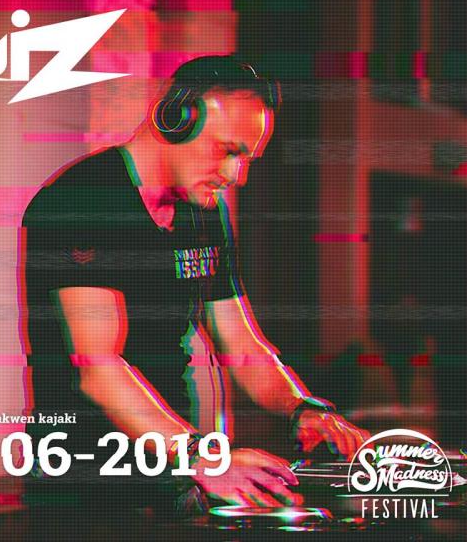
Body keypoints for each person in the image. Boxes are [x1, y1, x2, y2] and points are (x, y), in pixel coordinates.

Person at [20, 55, 369, 510]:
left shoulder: (203, 212)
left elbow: (242, 344)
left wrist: (301, 406)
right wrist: (202, 456)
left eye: (246, 159)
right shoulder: (82, 200)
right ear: (173, 119)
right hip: (86, 479)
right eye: (227, 151)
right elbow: (98, 368)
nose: (236, 176)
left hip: (175, 470)